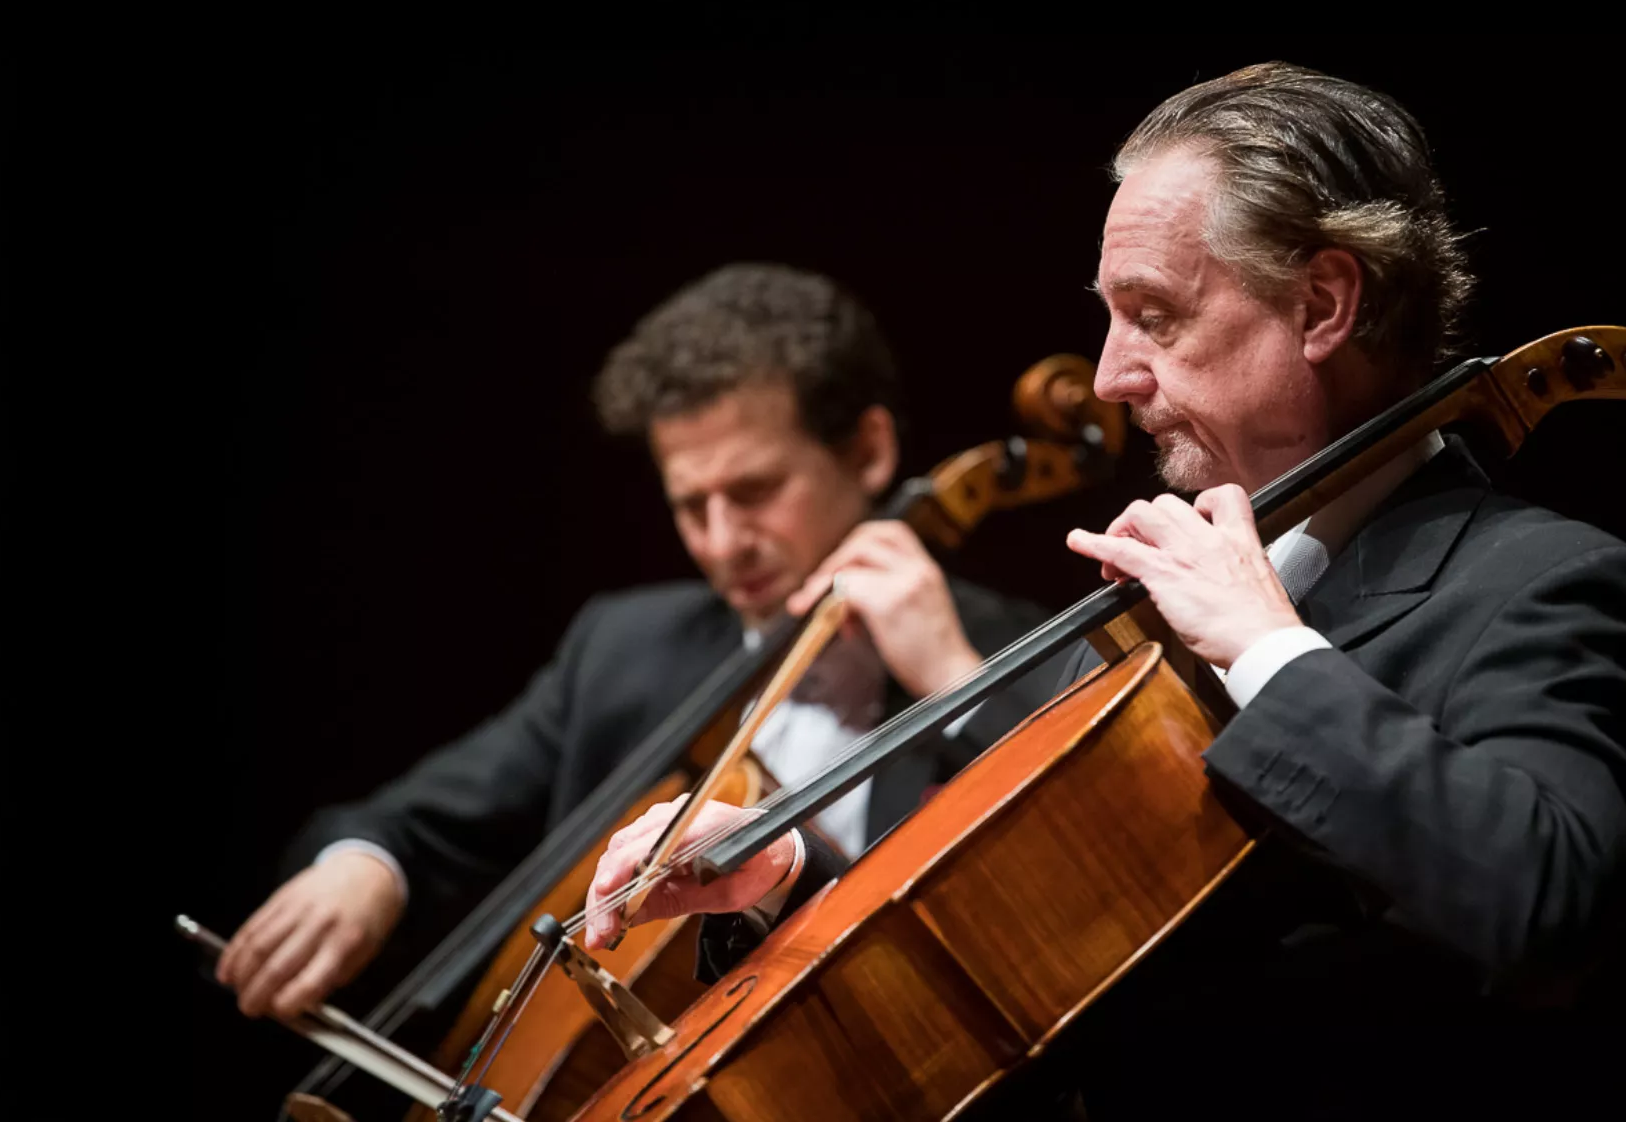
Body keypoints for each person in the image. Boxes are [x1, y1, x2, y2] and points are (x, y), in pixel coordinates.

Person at [584, 64, 1626, 1118]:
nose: (1114, 373)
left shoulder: (1544, 585)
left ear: (1322, 304)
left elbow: (1549, 904)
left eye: (1156, 316)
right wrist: (782, 884)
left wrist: (1270, 653)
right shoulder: (1141, 614)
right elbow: (1009, 961)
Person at [212, 262, 1049, 1028]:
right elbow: (425, 824)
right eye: (692, 505)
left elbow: (1060, 900)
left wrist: (953, 676)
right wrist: (365, 868)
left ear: (868, 449)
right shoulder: (625, 646)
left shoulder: (1025, 650)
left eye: (756, 490)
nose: (722, 543)